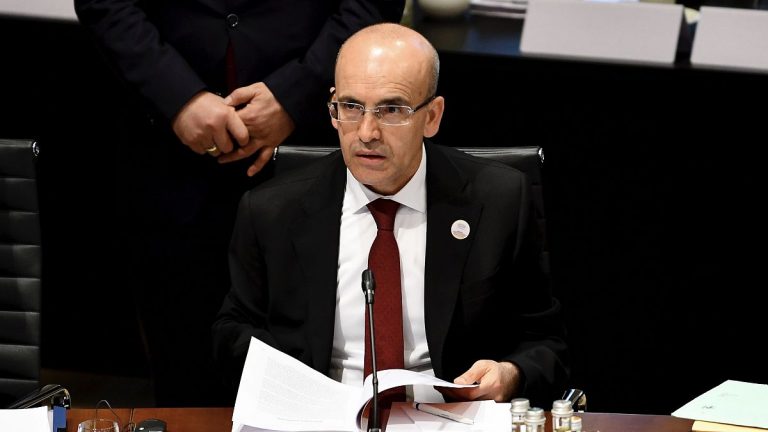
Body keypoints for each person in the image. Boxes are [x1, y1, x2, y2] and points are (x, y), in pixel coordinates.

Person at [213, 23, 568, 405]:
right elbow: (232, 332)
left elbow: (546, 345)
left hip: (450, 416)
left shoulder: (499, 200)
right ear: (333, 109)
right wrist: (289, 383)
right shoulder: (272, 211)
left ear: (432, 116)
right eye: (351, 107)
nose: (367, 132)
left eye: (392, 110)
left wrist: (510, 375)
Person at [73, 0, 404, 406]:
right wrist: (180, 97)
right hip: (165, 150)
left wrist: (294, 93)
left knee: (316, 376)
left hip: (311, 140)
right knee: (182, 376)